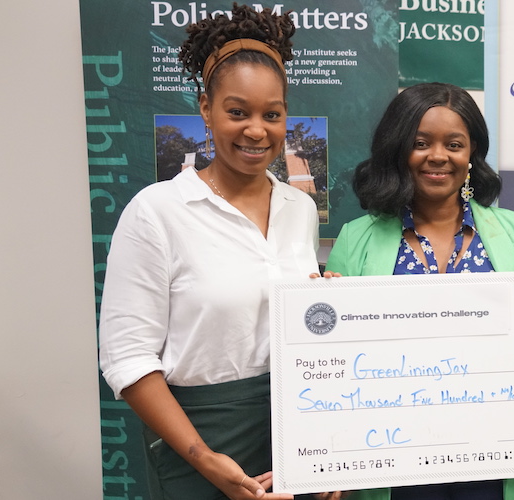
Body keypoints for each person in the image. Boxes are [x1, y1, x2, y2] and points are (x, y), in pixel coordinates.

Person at [98, 5, 340, 499]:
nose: (257, 130)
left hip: (292, 431)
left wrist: (329, 307)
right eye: (238, 112)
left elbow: (288, 325)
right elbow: (126, 358)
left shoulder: (297, 207)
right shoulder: (158, 212)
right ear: (205, 108)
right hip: (200, 440)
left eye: (272, 114)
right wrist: (205, 459)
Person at [325, 82, 514, 500]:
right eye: (420, 142)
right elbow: (331, 366)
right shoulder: (355, 239)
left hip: (499, 460)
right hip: (394, 461)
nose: (438, 156)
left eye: (454, 144)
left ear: (471, 155)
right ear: (398, 149)